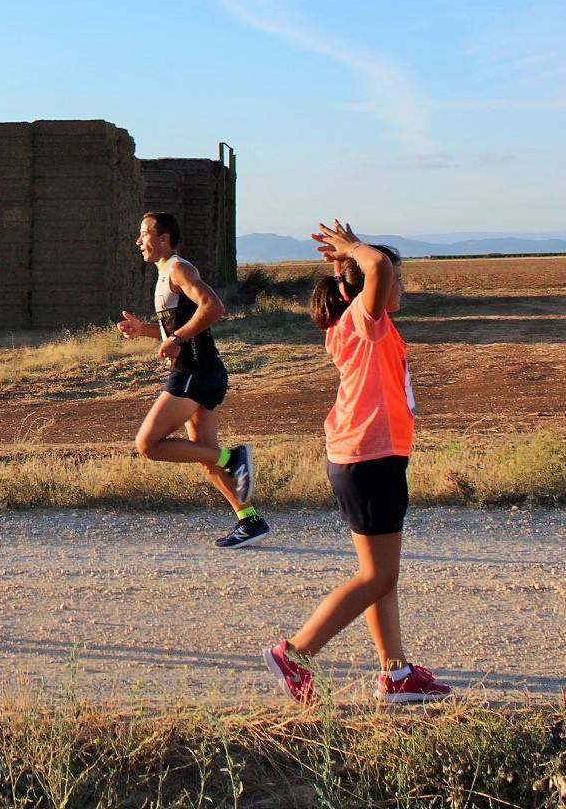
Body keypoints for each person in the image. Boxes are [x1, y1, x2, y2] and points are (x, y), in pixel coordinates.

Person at [263, 220, 451, 704]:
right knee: (378, 576)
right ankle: (296, 653)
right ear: (370, 288)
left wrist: (349, 260)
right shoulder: (364, 322)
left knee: (379, 574)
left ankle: (396, 674)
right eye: (399, 281)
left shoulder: (360, 323)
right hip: (369, 458)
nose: (400, 284)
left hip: (368, 457)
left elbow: (375, 270)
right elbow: (380, 266)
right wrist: (354, 250)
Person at [117, 212, 263, 548]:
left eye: (144, 234)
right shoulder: (165, 275)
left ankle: (233, 458)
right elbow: (176, 331)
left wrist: (178, 338)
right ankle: (250, 520)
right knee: (203, 454)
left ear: (164, 238)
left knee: (148, 444)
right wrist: (146, 331)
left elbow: (213, 308)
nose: (139, 241)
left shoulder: (179, 269)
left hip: (194, 373)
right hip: (202, 370)